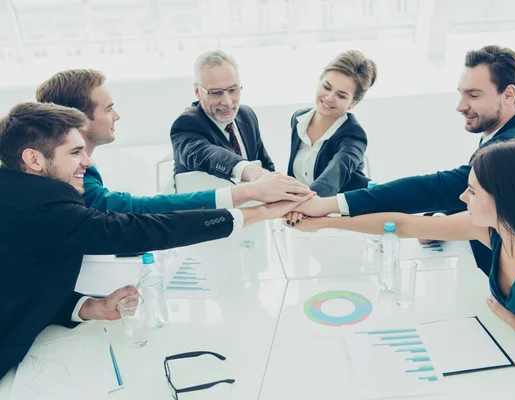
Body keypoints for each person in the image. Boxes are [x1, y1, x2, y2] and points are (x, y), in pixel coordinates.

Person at [0, 102, 306, 379]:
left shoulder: (18, 195)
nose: (88, 163)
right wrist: (256, 212)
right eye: (75, 152)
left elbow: (23, 279)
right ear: (34, 159)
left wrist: (87, 306)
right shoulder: (44, 206)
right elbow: (141, 229)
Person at [293, 139, 515, 393]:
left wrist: (510, 319)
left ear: (507, 199)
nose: (463, 196)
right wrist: (325, 223)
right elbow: (402, 225)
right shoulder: (494, 229)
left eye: (474, 191)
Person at [289, 45, 515, 275]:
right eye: (461, 93)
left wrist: (327, 205)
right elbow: (477, 192)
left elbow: (438, 187)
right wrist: (443, 218)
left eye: (473, 95)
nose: (460, 106)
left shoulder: (513, 148)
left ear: (509, 93)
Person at [36, 69, 309, 213]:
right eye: (108, 109)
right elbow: (138, 208)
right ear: (80, 120)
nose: (117, 116)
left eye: (233, 89)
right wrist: (249, 189)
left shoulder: (247, 114)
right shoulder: (72, 180)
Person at [170, 50, 275, 183]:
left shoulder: (246, 115)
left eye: (233, 90)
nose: (227, 101)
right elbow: (206, 154)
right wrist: (245, 169)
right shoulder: (187, 124)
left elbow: (266, 167)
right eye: (216, 93)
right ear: (197, 91)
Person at [287, 50, 376, 197]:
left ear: (352, 104)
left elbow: (334, 174)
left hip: (341, 212)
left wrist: (306, 202)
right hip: (303, 212)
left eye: (341, 95)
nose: (329, 98)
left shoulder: (353, 135)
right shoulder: (299, 119)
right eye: (326, 87)